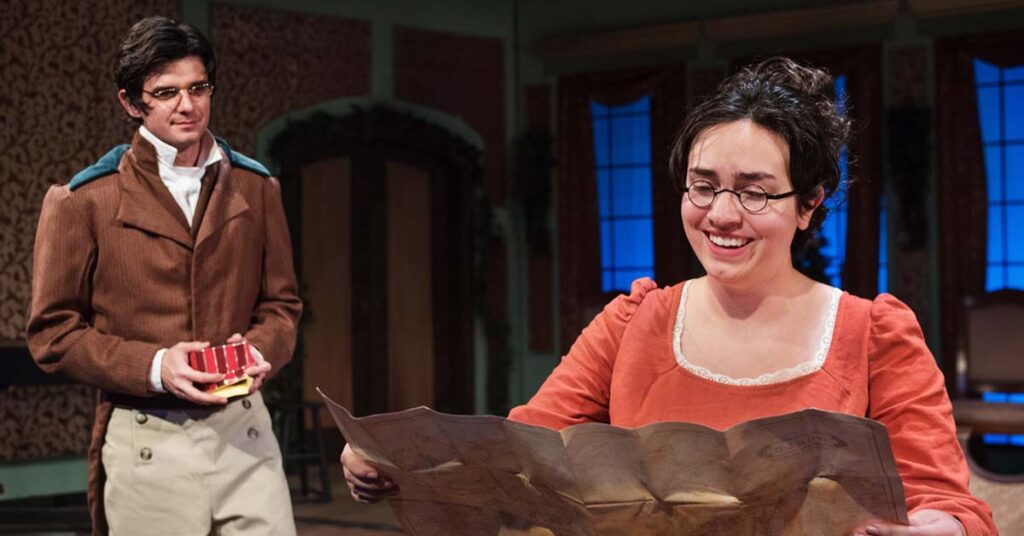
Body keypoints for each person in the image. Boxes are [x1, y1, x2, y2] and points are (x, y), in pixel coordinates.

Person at [340, 57, 997, 535]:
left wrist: (932, 529)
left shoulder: (873, 333)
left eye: (755, 191)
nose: (722, 214)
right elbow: (524, 446)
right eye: (702, 185)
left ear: (810, 204)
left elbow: (954, 505)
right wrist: (402, 458)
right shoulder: (636, 320)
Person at [26, 16, 302, 535]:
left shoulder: (257, 187)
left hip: (245, 432)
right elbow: (52, 334)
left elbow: (283, 306)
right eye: (166, 92)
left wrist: (262, 348)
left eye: (198, 87)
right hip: (149, 439)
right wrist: (156, 365)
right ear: (132, 103)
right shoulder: (85, 199)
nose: (187, 104)